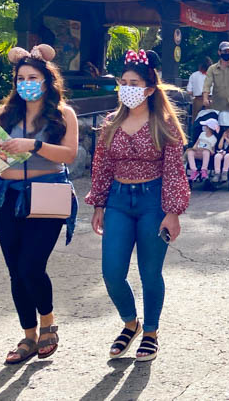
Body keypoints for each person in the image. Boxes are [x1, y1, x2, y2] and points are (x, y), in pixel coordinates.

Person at [87, 49, 188, 363]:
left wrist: (172, 212)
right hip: (118, 200)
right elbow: (102, 165)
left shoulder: (165, 124)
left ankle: (151, 332)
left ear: (149, 89)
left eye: (134, 83)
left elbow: (174, 170)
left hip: (152, 201)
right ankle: (131, 323)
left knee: (150, 273)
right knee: (112, 272)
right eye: (124, 82)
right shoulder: (110, 123)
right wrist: (99, 204)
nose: (127, 88)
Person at [0, 44, 78, 365]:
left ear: (47, 81)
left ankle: (48, 322)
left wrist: (33, 144)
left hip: (48, 193)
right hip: (8, 196)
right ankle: (28, 335)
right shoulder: (5, 113)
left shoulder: (63, 114)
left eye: (32, 77)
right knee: (15, 271)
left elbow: (69, 155)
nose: (26, 83)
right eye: (20, 78)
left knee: (31, 266)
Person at [202, 42, 229, 112]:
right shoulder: (212, 68)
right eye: (225, 51)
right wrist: (205, 98)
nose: (227, 53)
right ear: (219, 52)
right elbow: (207, 84)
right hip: (218, 105)